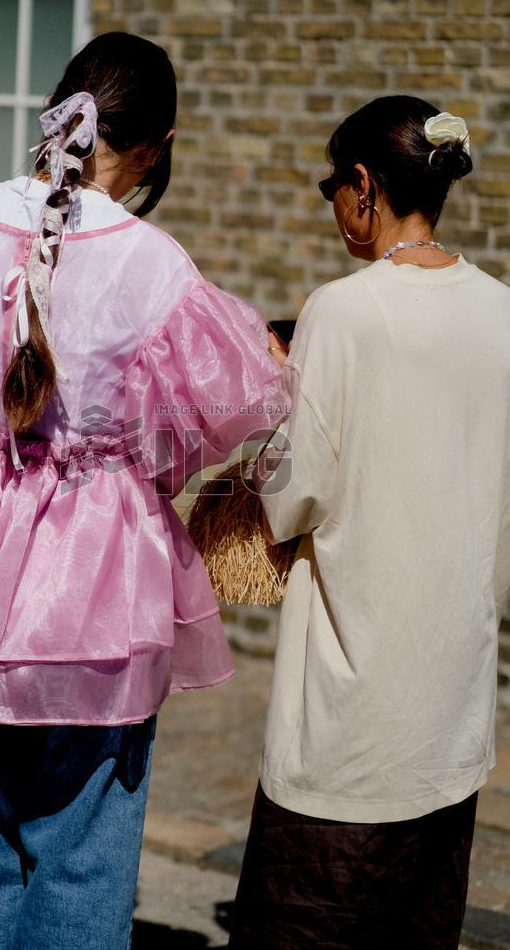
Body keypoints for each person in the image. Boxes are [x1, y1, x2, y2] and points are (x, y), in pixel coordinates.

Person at [0, 32, 289, 949]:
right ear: (156, 146)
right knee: (84, 851)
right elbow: (197, 434)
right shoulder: (155, 265)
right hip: (94, 590)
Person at [228, 96, 510, 949]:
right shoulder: (501, 309)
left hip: (349, 725)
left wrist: (273, 391)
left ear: (362, 187)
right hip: (451, 707)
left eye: (331, 187)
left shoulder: (342, 311)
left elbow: (292, 498)